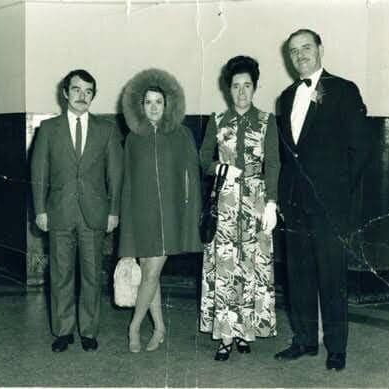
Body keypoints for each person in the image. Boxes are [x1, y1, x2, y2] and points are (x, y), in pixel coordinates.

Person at [274, 29, 372, 371]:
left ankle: (336, 348)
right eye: (293, 51)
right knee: (298, 275)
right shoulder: (285, 97)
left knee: (332, 277)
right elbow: (288, 156)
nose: (300, 55)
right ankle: (303, 340)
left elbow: (360, 148)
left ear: (320, 50)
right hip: (294, 204)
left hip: (329, 205)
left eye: (306, 47)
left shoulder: (344, 91)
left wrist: (337, 193)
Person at [31, 69, 123, 352]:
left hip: (94, 213)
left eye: (88, 91)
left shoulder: (106, 129)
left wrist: (113, 211)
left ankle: (89, 330)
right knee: (60, 274)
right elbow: (39, 172)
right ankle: (62, 330)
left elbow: (116, 176)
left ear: (93, 96)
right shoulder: (48, 129)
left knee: (92, 274)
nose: (82, 96)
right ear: (65, 93)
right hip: (59, 211)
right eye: (76, 90)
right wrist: (40, 210)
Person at [199, 55, 280, 361]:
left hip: (257, 204)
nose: (242, 92)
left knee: (251, 267)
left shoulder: (267, 121)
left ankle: (245, 331)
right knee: (225, 268)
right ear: (228, 89)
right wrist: (220, 168)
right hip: (225, 200)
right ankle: (224, 336)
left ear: (255, 87)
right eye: (236, 86)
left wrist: (272, 202)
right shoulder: (217, 121)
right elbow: (202, 157)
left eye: (247, 85)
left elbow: (274, 163)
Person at [118, 68, 202, 353]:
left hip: (171, 218)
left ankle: (134, 327)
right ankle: (161, 328)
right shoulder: (132, 139)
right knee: (148, 274)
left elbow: (192, 178)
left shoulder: (182, 135)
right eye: (148, 102)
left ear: (168, 105)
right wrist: (126, 225)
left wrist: (191, 217)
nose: (154, 107)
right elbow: (126, 184)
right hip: (141, 217)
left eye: (159, 102)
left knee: (151, 273)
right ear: (141, 106)